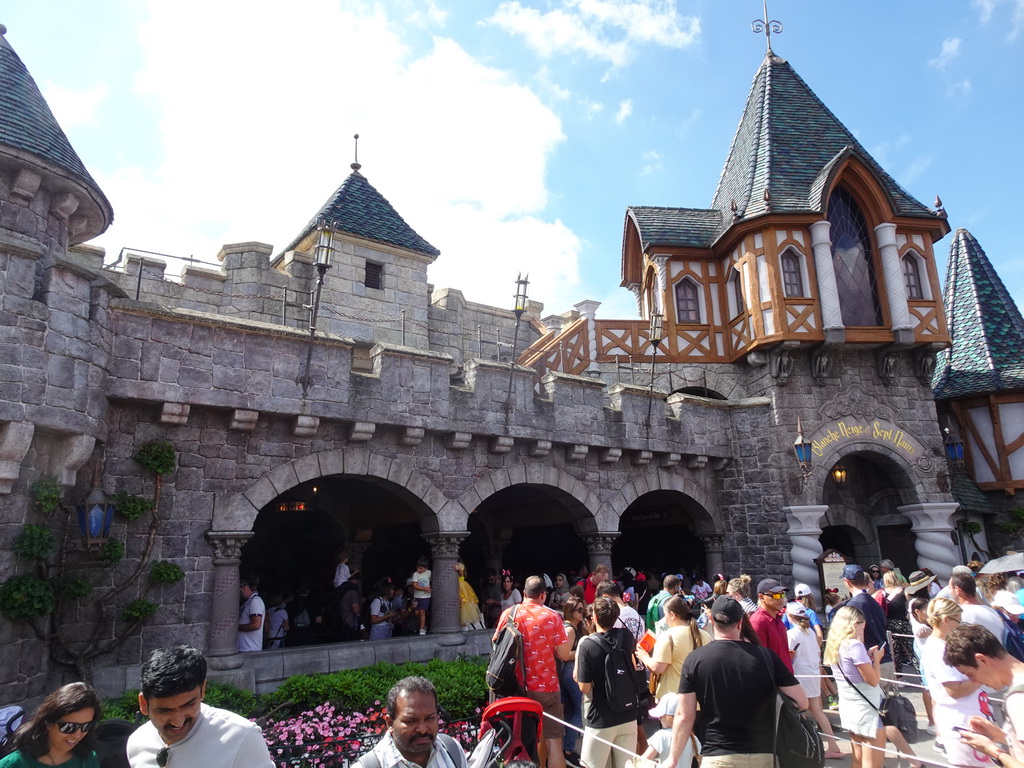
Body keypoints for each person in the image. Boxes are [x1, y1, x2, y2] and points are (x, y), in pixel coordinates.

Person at [663, 596, 807, 768]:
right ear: (740, 622)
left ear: (710, 619)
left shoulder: (695, 660)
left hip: (718, 754)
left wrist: (673, 758)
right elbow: (802, 702)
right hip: (765, 753)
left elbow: (684, 715)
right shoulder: (767, 657)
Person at [126, 645, 273, 768]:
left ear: (202, 690)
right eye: (165, 711)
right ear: (144, 704)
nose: (178, 721)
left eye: (188, 705)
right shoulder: (137, 742)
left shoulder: (241, 737)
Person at [493, 575, 572, 768]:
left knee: (524, 740)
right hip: (548, 689)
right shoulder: (553, 617)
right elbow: (563, 654)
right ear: (543, 595)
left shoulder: (509, 614)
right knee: (554, 742)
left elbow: (497, 645)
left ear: (524, 593)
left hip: (518, 689)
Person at [920, 598, 989, 768]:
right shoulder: (938, 650)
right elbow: (953, 690)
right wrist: (980, 675)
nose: (960, 625)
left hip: (965, 718)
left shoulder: (941, 645)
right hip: (961, 721)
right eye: (958, 620)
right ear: (946, 620)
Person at [944, 623, 1024, 768]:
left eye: (970, 674)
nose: (975, 681)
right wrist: (1002, 736)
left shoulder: (1018, 698)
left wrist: (993, 751)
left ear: (982, 660)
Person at [574, 596, 640, 768]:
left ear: (594, 616)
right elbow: (632, 666)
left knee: (590, 765)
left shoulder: (587, 645)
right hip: (628, 714)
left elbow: (584, 686)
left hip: (601, 717)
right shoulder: (626, 636)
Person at [356, 676, 468, 768]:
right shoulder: (370, 765)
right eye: (410, 721)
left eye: (430, 718)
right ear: (390, 723)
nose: (422, 729)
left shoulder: (452, 751)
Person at [823, 606, 885, 768]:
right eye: (861, 624)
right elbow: (873, 680)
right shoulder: (854, 646)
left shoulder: (836, 645)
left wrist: (868, 658)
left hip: (849, 706)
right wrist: (877, 659)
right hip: (866, 709)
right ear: (854, 624)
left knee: (857, 759)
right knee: (873, 763)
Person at [786, 602, 842, 759]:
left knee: (801, 712)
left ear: (790, 616)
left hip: (800, 676)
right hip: (812, 673)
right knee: (818, 711)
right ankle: (833, 745)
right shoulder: (810, 632)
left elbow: (789, 655)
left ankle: (808, 746)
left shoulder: (792, 634)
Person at [0, 683, 102, 768]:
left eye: (85, 726)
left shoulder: (87, 760)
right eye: (69, 727)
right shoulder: (15, 764)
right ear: (48, 722)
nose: (77, 735)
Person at [636, 595, 709, 702]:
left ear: (672, 615)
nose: (664, 619)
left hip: (673, 699)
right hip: (700, 697)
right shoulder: (705, 635)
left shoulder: (668, 636)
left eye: (665, 614)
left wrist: (644, 656)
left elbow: (657, 668)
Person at [842, 564, 893, 689]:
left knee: (874, 706)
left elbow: (856, 636)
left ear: (847, 581)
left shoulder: (853, 605)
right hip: (884, 659)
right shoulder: (873, 601)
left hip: (872, 663)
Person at [560, 597, 586, 762]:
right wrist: (581, 651)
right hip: (570, 672)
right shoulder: (569, 629)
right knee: (579, 711)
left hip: (569, 671)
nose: (582, 613)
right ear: (571, 612)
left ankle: (567, 749)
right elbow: (563, 655)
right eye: (579, 610)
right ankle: (568, 750)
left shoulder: (574, 628)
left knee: (571, 711)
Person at [640, 693, 699, 768]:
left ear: (669, 717)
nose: (659, 719)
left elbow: (643, 760)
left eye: (660, 717)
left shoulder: (661, 735)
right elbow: (702, 759)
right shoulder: (691, 737)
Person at [749, 578, 793, 671]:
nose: (780, 599)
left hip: (785, 678)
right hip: (774, 681)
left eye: (782, 595)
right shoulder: (757, 622)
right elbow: (759, 659)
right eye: (775, 595)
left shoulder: (778, 620)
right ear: (761, 597)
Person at [951, 571, 1006, 640]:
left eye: (950, 588)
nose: (949, 592)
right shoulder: (992, 611)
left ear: (957, 590)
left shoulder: (961, 615)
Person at [237, 574, 265, 652]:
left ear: (244, 588)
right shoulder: (248, 602)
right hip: (243, 647)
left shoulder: (255, 602)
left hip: (250, 648)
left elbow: (256, 625)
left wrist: (236, 627)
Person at [456, 562, 483, 630]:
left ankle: (465, 628)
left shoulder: (460, 565)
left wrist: (459, 569)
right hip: (459, 586)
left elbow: (462, 573)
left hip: (461, 587)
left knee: (464, 606)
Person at [409, 557, 432, 636]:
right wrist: (424, 588)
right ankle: (424, 624)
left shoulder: (429, 573)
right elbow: (415, 585)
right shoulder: (416, 574)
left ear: (426, 568)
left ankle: (421, 628)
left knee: (422, 611)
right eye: (417, 568)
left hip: (426, 597)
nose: (419, 570)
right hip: (417, 596)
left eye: (421, 568)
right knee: (416, 613)